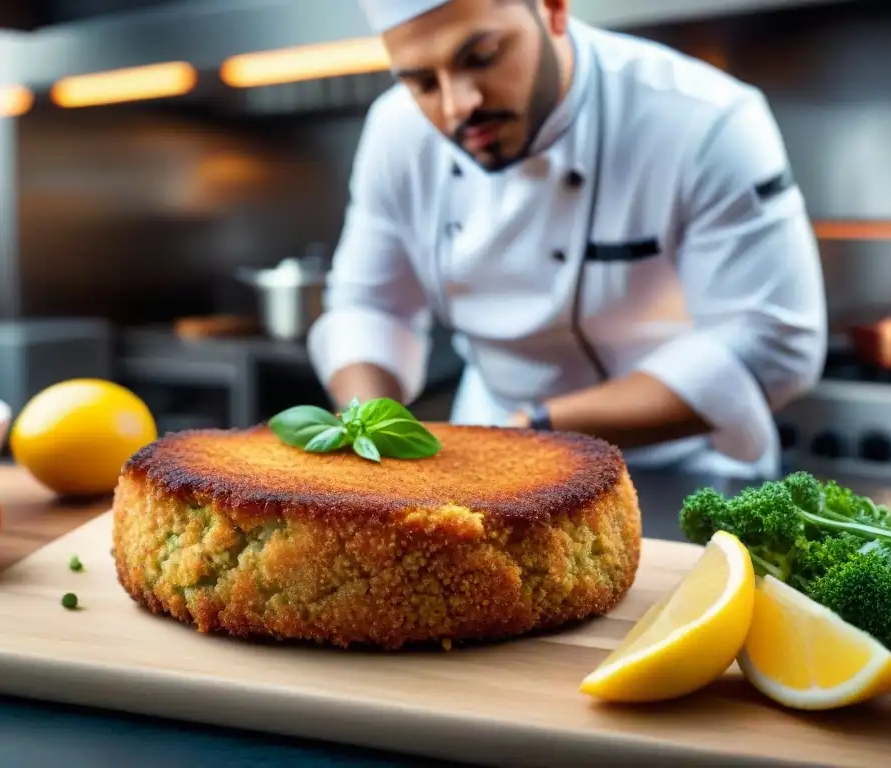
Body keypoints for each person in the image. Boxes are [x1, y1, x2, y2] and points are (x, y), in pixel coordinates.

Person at [306, 0, 827, 479]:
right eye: (421, 83)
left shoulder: (703, 118)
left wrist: (530, 430)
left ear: (554, 9)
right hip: (492, 457)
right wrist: (370, 432)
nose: (457, 105)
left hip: (682, 468)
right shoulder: (395, 132)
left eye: (482, 56)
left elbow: (769, 343)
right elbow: (371, 307)